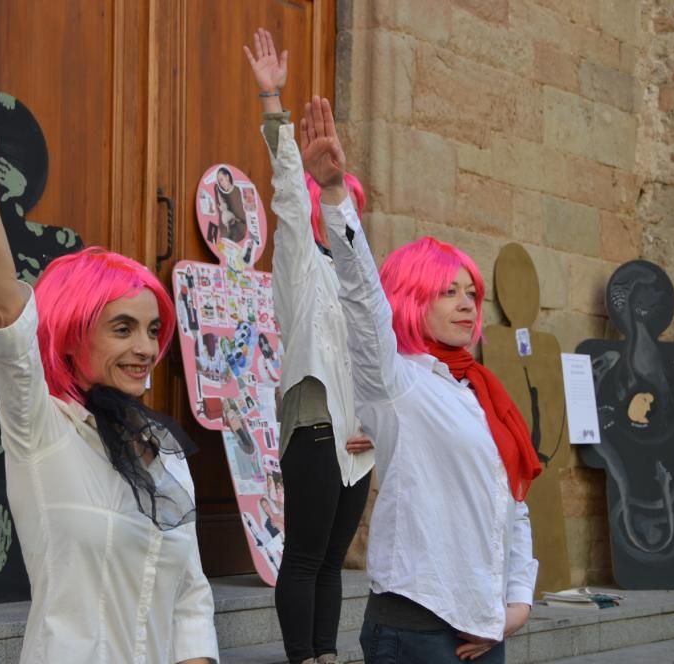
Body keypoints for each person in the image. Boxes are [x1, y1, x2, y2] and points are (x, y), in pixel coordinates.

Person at [0, 54, 218, 664]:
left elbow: (191, 598)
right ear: (71, 335)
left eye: (153, 329)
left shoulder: (163, 450)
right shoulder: (42, 429)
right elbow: (7, 313)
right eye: (122, 328)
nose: (145, 348)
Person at [299, 94, 540, 663]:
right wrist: (335, 195)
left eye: (470, 291)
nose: (465, 303)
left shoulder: (481, 391)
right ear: (411, 297)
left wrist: (517, 605)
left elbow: (513, 504)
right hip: (416, 629)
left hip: (484, 631)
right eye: (446, 291)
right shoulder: (398, 380)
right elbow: (362, 303)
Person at [244, 29, 375, 664]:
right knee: (303, 554)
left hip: (359, 441)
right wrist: (273, 101)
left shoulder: (365, 287)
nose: (341, 213)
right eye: (337, 201)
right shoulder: (300, 263)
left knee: (331, 560)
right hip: (315, 422)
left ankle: (326, 654)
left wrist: (378, 424)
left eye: (350, 206)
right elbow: (291, 196)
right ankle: (304, 657)